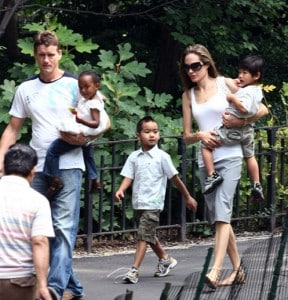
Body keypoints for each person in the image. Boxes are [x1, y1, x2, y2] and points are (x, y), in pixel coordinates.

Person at [0, 30, 109, 299]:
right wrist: (2, 162)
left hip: (70, 163)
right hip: (36, 167)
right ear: (35, 56)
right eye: (41, 55)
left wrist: (84, 136)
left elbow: (103, 120)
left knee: (62, 227)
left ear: (60, 54)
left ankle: (56, 288)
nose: (46, 60)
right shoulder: (26, 89)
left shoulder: (77, 85)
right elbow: (13, 128)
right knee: (38, 229)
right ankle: (72, 286)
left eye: (51, 54)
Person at [180, 44, 268, 288]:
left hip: (230, 155)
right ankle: (238, 269)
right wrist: (200, 135)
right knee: (218, 217)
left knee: (222, 211)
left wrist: (241, 120)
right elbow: (186, 135)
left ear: (207, 64)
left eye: (195, 65)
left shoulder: (226, 83)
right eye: (187, 67)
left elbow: (262, 109)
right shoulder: (188, 96)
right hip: (206, 160)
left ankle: (216, 270)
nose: (191, 71)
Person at [115, 116, 198, 284]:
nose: (152, 135)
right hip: (139, 203)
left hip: (154, 204)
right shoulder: (134, 157)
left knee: (143, 236)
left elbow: (175, 178)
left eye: (155, 131)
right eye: (147, 132)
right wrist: (121, 189)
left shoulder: (162, 157)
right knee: (148, 234)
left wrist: (188, 196)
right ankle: (165, 259)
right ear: (138, 136)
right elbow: (128, 176)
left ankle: (134, 270)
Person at [201, 55, 265, 201]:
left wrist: (232, 98)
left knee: (205, 144)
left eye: (244, 73)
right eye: (240, 72)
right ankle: (256, 183)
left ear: (256, 75)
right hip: (248, 131)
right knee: (250, 156)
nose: (240, 76)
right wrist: (239, 85)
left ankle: (212, 175)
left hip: (232, 131)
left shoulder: (247, 92)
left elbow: (244, 108)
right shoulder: (256, 91)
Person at [0, 144, 55, 300]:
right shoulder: (38, 201)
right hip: (19, 281)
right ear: (33, 172)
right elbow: (39, 242)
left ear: (3, 168)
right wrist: (43, 285)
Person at [43, 70, 110, 197]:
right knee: (88, 156)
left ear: (97, 85)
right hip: (86, 135)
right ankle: (95, 180)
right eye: (80, 88)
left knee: (53, 151)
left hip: (81, 133)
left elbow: (96, 123)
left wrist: (80, 120)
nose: (83, 90)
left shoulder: (93, 104)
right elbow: (101, 98)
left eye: (87, 87)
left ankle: (55, 179)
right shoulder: (94, 98)